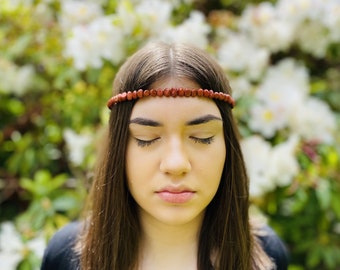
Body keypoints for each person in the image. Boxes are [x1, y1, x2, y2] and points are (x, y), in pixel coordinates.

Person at [41, 42, 289, 270]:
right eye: (146, 138)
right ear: (118, 149)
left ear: (228, 146)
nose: (176, 163)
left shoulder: (266, 255)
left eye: (202, 137)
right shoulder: (66, 256)